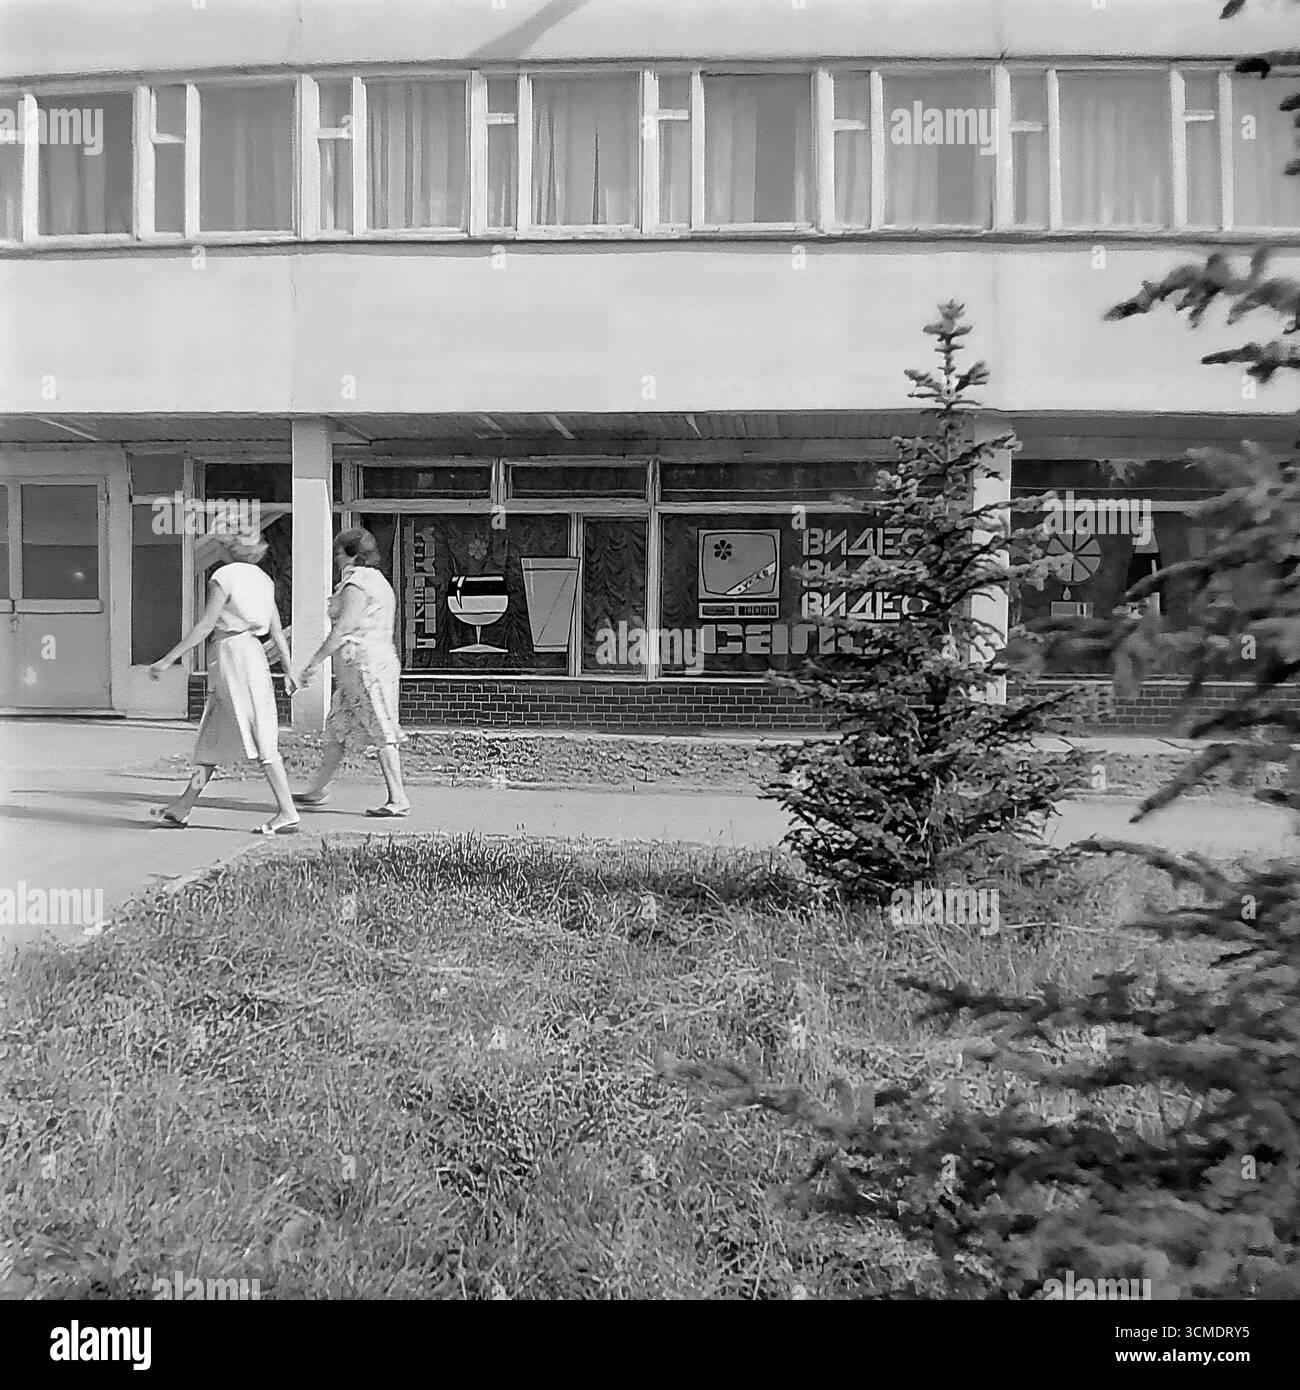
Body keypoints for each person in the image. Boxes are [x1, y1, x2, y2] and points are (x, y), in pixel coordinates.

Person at [149, 530, 301, 835]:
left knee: (259, 735)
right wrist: (289, 670)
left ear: (228, 548)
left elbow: (206, 625)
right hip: (252, 656)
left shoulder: (223, 576)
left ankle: (287, 811)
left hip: (232, 656)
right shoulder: (263, 579)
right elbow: (275, 629)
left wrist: (168, 659)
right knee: (212, 742)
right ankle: (183, 806)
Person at [293, 527, 409, 817]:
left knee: (381, 727)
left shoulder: (358, 583)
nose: (335, 558)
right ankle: (315, 790)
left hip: (365, 665)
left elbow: (343, 627)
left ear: (353, 554)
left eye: (338, 552)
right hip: (365, 666)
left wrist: (313, 662)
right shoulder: (377, 581)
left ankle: (398, 799)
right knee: (338, 728)